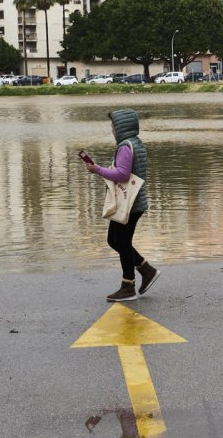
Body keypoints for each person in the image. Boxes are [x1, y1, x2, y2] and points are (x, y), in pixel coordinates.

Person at [84, 109, 159, 302]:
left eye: (113, 126)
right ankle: (146, 269)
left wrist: (97, 170)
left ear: (121, 127)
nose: (112, 130)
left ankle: (128, 286)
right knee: (114, 240)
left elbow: (123, 175)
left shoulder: (126, 146)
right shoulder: (136, 144)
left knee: (122, 243)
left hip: (129, 204)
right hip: (132, 202)